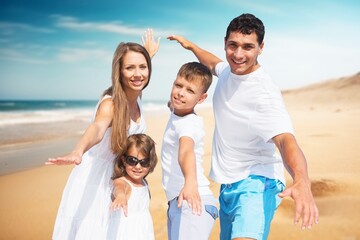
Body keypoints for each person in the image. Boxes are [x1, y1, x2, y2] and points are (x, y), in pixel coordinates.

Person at [168, 13, 319, 240]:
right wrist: (190, 46)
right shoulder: (229, 70)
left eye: (248, 47)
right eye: (233, 45)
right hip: (228, 184)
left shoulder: (264, 93)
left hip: (258, 182)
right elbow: (210, 62)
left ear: (261, 47)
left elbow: (286, 140)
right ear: (225, 43)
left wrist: (302, 180)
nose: (238, 54)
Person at [45, 30, 160, 239]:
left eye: (143, 67)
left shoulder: (137, 93)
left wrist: (149, 54)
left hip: (119, 174)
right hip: (95, 179)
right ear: (119, 71)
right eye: (130, 68)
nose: (137, 73)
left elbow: (139, 76)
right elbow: (97, 128)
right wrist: (78, 151)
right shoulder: (111, 104)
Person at [161, 62, 218, 240]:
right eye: (178, 85)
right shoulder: (177, 111)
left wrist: (190, 183)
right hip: (178, 202)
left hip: (191, 200)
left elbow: (186, 151)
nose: (180, 93)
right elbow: (171, 103)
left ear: (201, 99)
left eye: (190, 91)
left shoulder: (188, 124)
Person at [108, 133, 158, 239]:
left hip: (143, 233)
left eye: (144, 162)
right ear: (123, 160)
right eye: (132, 160)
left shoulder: (144, 183)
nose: (138, 166)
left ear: (151, 162)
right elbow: (119, 188)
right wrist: (121, 196)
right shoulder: (123, 182)